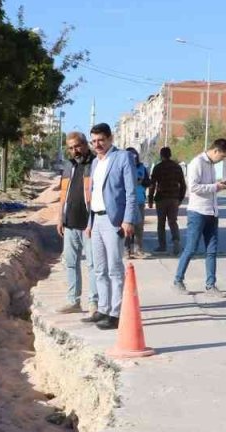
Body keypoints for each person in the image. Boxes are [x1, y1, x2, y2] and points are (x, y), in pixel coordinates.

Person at [83, 123, 140, 330]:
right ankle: (103, 309)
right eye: (94, 141)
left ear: (110, 139)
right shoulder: (96, 163)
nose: (97, 144)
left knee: (115, 269)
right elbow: (94, 194)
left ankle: (116, 313)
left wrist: (128, 220)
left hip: (113, 220)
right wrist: (89, 223)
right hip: (96, 220)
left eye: (101, 140)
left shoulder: (123, 157)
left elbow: (131, 192)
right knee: (99, 269)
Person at [173, 138, 226, 298]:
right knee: (191, 248)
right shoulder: (197, 163)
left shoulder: (211, 166)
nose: (222, 160)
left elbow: (209, 189)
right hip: (198, 212)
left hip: (212, 213)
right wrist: (215, 186)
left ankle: (210, 285)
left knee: (212, 251)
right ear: (216, 151)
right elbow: (193, 187)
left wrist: (221, 186)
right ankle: (178, 280)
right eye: (222, 156)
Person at [56, 131, 96, 314]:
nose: (75, 151)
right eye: (71, 148)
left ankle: (94, 302)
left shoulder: (95, 163)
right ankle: (73, 301)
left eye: (77, 146)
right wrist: (60, 218)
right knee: (71, 263)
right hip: (70, 223)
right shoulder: (68, 166)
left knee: (93, 264)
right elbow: (63, 195)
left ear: (85, 144)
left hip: (88, 224)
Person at [147, 147, 186, 254]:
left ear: (161, 155)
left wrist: (150, 199)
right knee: (173, 221)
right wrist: (180, 198)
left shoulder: (158, 167)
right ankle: (176, 241)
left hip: (161, 198)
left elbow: (152, 185)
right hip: (174, 199)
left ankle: (162, 245)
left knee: (161, 223)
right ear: (170, 154)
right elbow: (183, 184)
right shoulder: (177, 167)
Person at [125, 147, 150, 259]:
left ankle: (139, 248)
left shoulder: (142, 167)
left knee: (139, 226)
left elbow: (147, 181)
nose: (133, 157)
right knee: (127, 225)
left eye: (134, 155)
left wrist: (141, 181)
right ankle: (127, 250)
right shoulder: (124, 167)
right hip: (126, 202)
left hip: (139, 200)